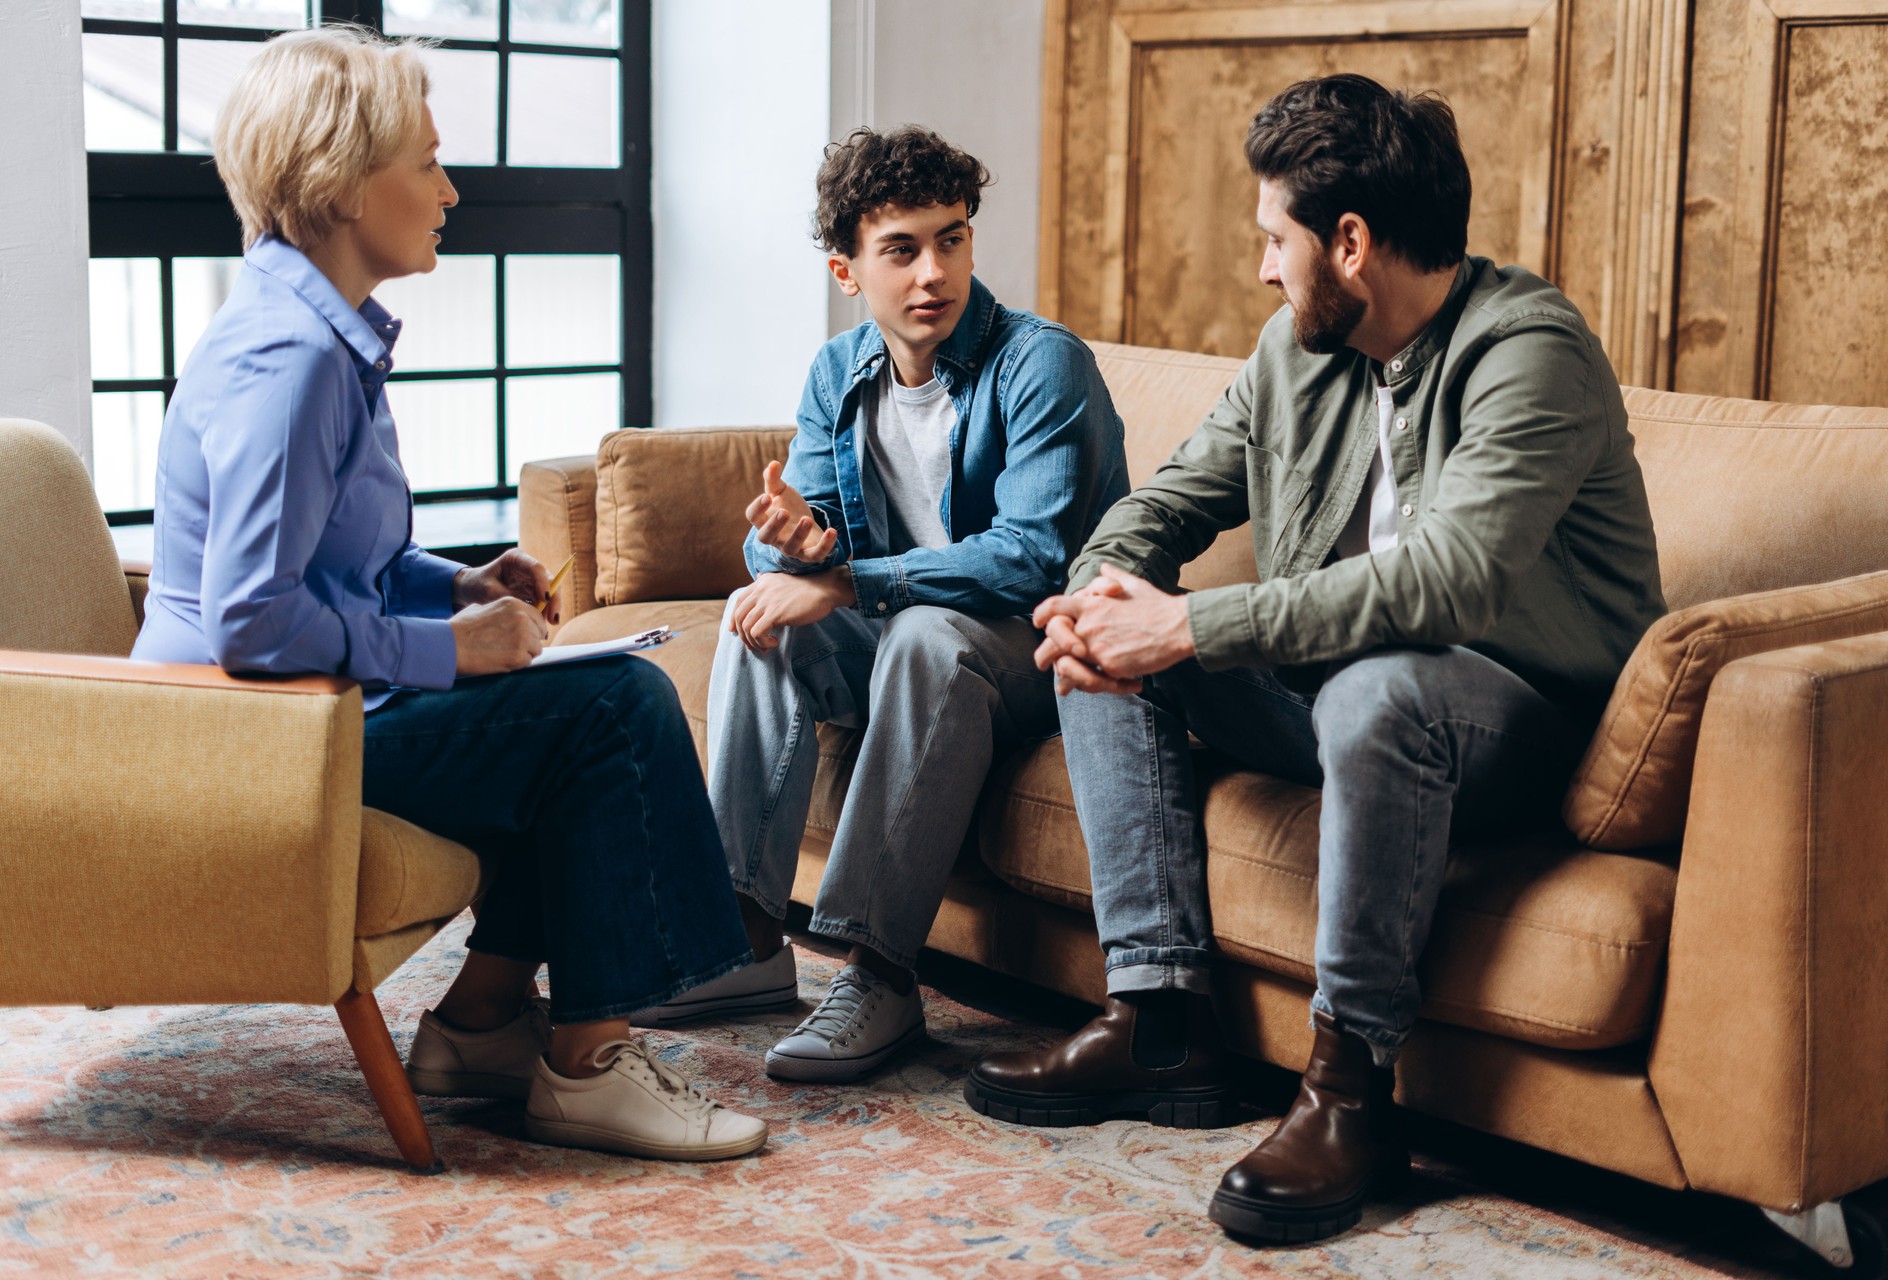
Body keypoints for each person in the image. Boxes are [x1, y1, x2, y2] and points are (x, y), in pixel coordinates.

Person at [964, 74, 1666, 1243]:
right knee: (1110, 628)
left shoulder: (1528, 349)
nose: (1262, 269)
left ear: (1348, 241)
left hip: (1512, 717)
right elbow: (1171, 500)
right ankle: (1158, 1012)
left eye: (1271, 240)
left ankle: (1350, 1092)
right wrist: (1099, 595)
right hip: (1329, 695)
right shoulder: (1298, 350)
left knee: (1376, 686)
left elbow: (1450, 581)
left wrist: (1191, 624)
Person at [130, 25, 766, 1162]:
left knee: (563, 708)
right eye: (426, 162)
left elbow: (326, 564)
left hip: (293, 709)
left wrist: (456, 583)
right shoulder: (296, 361)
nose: (450, 188)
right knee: (612, 707)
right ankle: (587, 1063)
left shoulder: (314, 335)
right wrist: (451, 650)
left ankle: (476, 1026)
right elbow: (249, 617)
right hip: (251, 736)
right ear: (338, 180)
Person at [630, 126, 1130, 1084]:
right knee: (756, 617)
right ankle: (740, 941)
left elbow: (1032, 560)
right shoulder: (839, 371)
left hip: (1043, 648)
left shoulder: (1040, 365)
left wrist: (850, 579)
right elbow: (797, 539)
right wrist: (794, 545)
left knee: (924, 634)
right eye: (901, 250)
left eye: (951, 239)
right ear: (848, 270)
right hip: (914, 632)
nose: (932, 272)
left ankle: (879, 972)